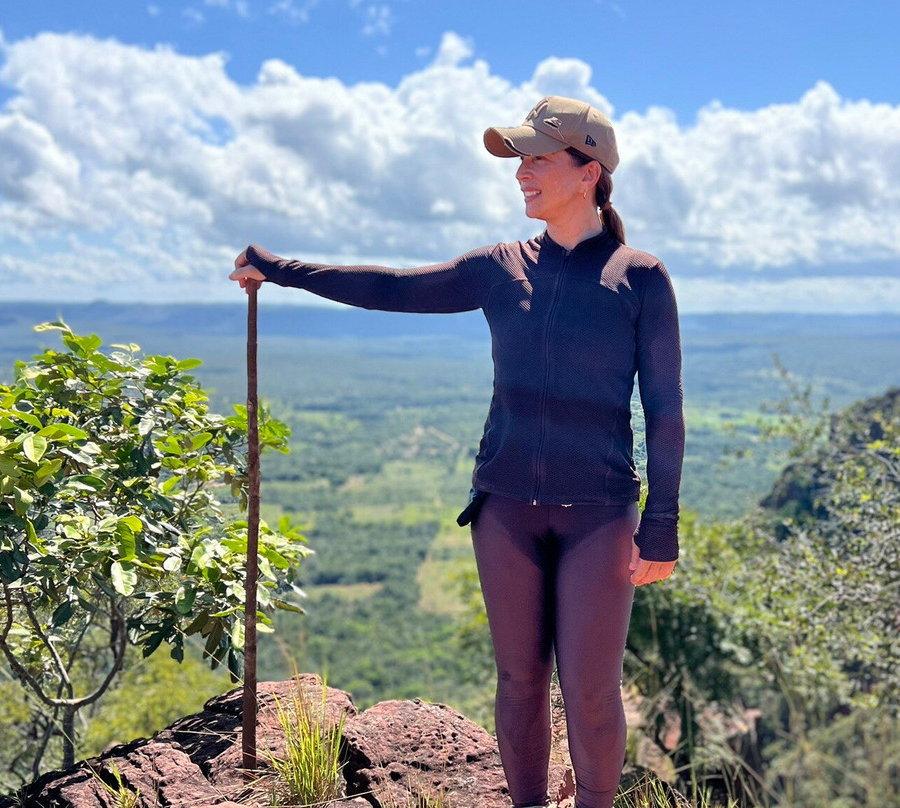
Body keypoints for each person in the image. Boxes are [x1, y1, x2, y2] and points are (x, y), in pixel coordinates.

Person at [230, 96, 684, 808]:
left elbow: (665, 409)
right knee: (520, 682)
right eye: (520, 160)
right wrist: (278, 268)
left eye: (537, 158)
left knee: (592, 690)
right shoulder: (499, 267)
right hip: (504, 508)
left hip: (601, 513)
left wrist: (662, 523)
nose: (522, 173)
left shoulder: (640, 277)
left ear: (588, 170)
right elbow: (389, 288)